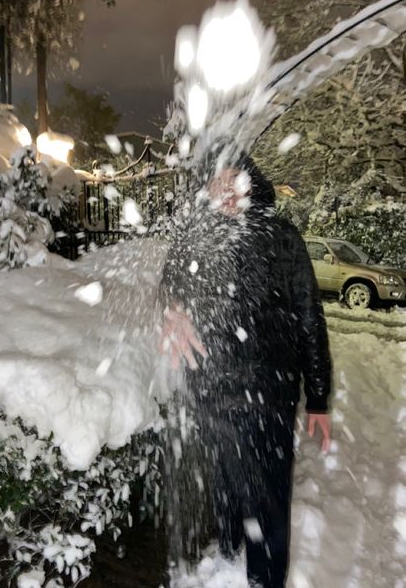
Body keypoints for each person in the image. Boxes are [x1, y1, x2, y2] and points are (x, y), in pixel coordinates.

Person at [159, 149, 332, 588]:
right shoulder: (194, 237)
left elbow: (309, 318)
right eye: (219, 181)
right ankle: (228, 553)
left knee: (268, 497)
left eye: (235, 179)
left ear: (250, 183)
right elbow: (168, 282)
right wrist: (172, 308)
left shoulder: (281, 237)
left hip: (267, 393)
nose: (227, 190)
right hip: (211, 389)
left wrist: (318, 398)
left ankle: (264, 578)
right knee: (225, 481)